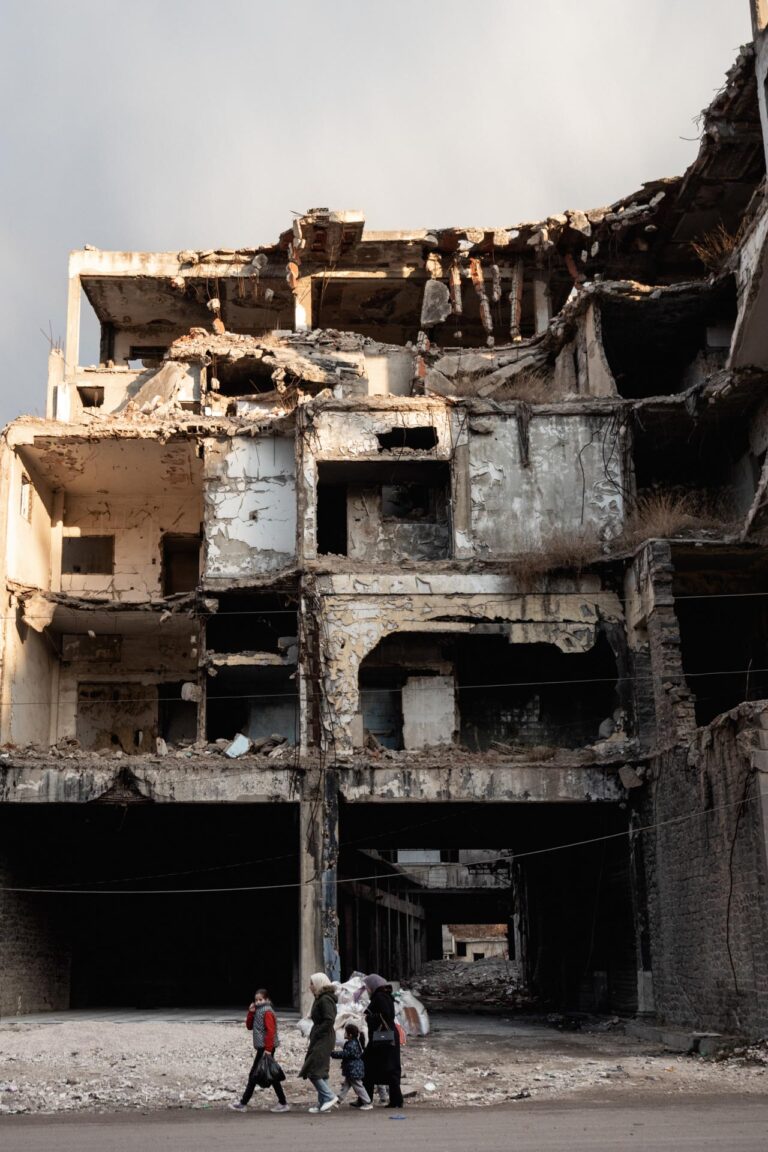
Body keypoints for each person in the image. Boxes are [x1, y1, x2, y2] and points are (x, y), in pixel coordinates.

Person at [230, 988, 290, 1113]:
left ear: (266, 1000)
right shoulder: (258, 1011)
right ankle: (283, 1102)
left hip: (266, 1048)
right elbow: (249, 1026)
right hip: (263, 1047)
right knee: (271, 1075)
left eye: (260, 999)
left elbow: (270, 1031)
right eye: (256, 1000)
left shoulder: (267, 1012)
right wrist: (251, 1012)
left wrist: (268, 1050)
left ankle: (243, 1103)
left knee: (254, 1075)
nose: (257, 1002)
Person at [359, 973, 403, 1108]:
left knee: (368, 1066)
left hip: (382, 1038)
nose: (367, 989)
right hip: (388, 1037)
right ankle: (395, 1101)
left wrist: (369, 1018)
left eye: (368, 987)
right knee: (389, 1070)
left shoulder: (379, 997)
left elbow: (385, 1016)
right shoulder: (386, 996)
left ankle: (366, 1100)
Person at [298, 972, 339, 1113]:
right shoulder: (320, 998)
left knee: (313, 1070)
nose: (310, 986)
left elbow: (329, 1019)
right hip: (321, 1036)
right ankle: (323, 1104)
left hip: (324, 1038)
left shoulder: (325, 999)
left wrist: (319, 1032)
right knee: (322, 1071)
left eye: (311, 983)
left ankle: (329, 1097)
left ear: (318, 984)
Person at [331, 1022, 372, 1110]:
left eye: (345, 1032)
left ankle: (367, 1102)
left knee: (358, 1086)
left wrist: (333, 1053)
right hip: (352, 1069)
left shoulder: (352, 1044)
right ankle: (338, 1101)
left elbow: (346, 1054)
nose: (344, 1034)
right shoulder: (353, 1042)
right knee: (346, 1086)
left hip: (353, 1069)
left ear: (349, 1034)